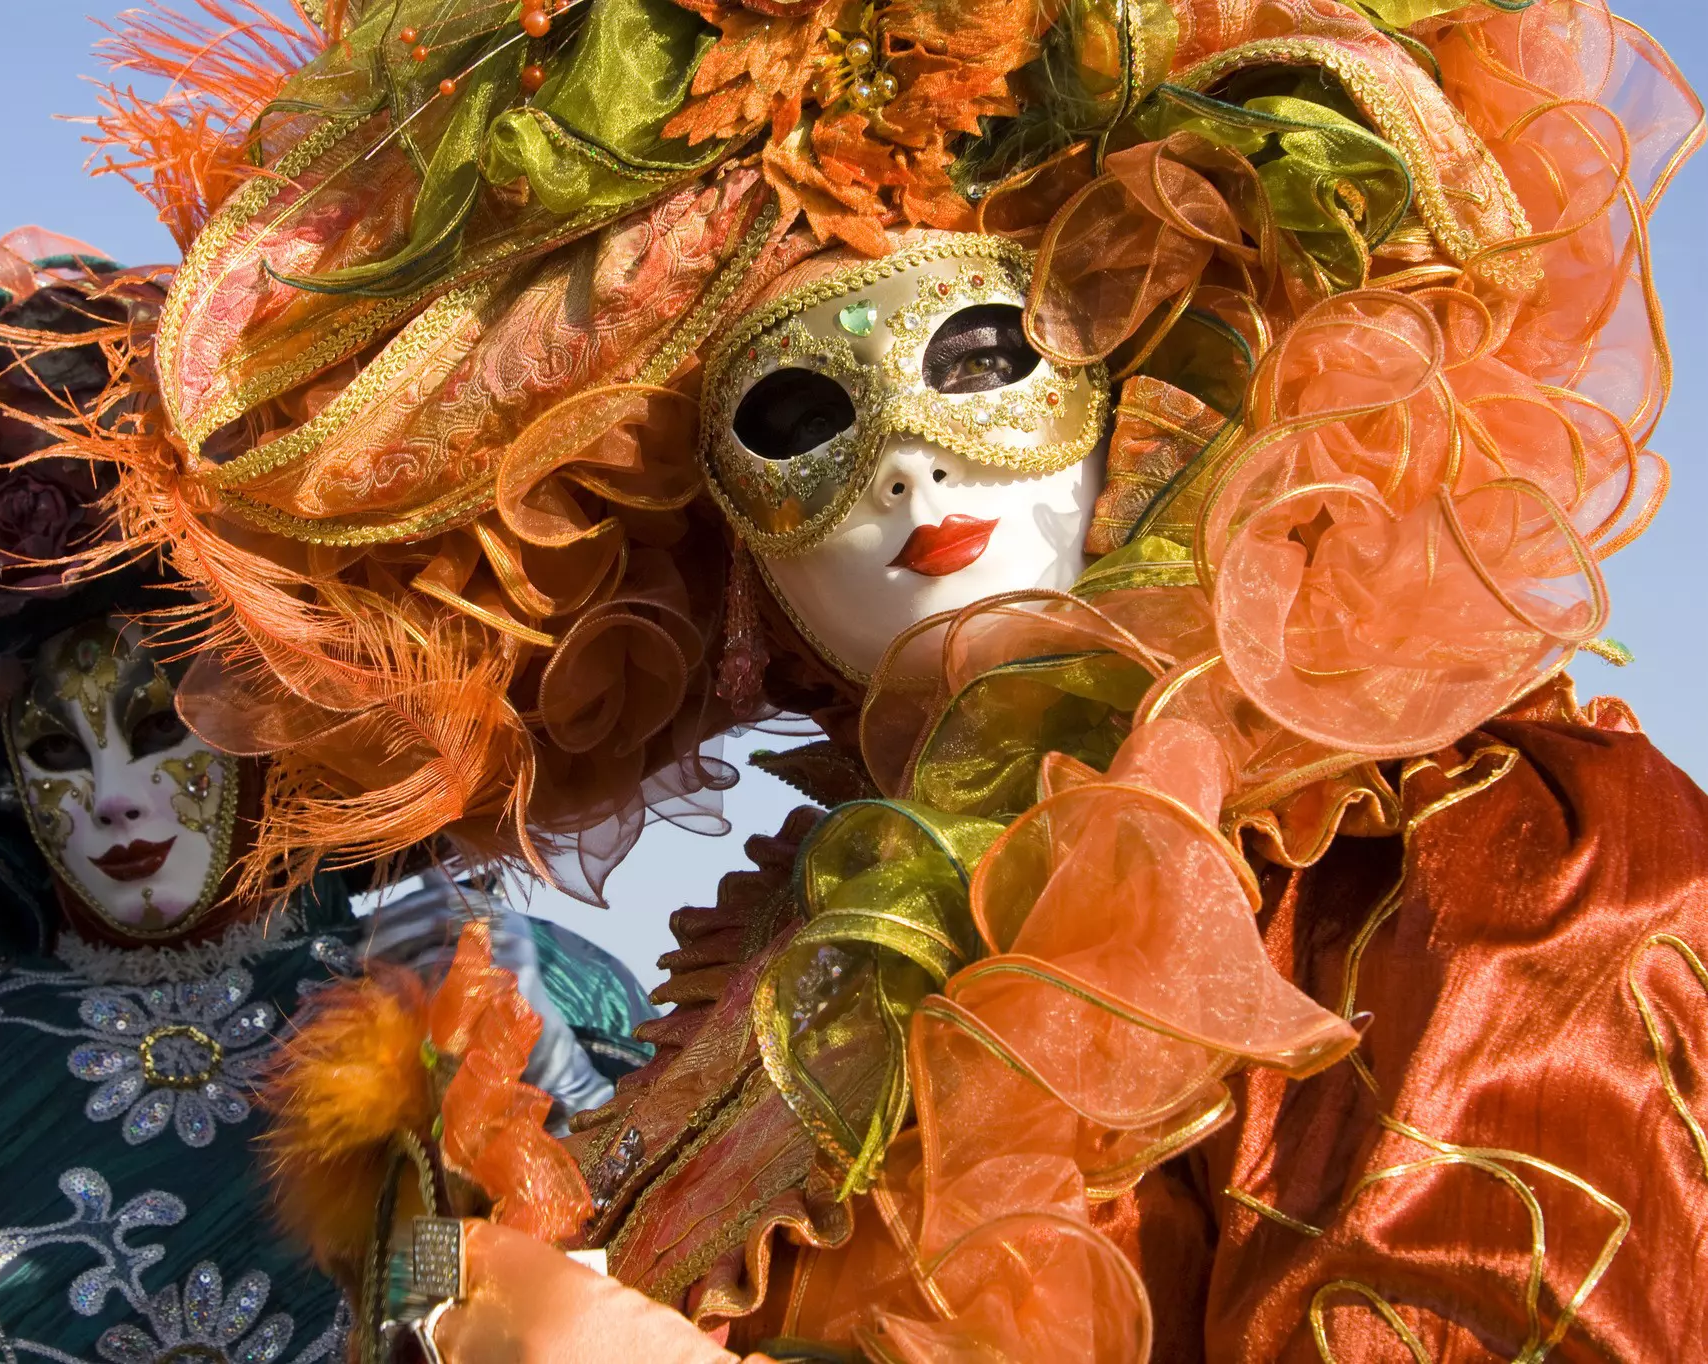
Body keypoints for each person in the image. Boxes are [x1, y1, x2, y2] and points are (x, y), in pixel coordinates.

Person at [121, 0, 1708, 1357]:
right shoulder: (786, 971)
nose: (903, 462)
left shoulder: (1492, 870)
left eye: (979, 354)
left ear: (1138, 369)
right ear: (729, 559)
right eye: (797, 414)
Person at [0, 235, 653, 1364]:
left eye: (160, 730)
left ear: (265, 734)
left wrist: (511, 1167)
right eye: (57, 752)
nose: (115, 802)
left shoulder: (437, 999)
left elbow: (528, 1304)